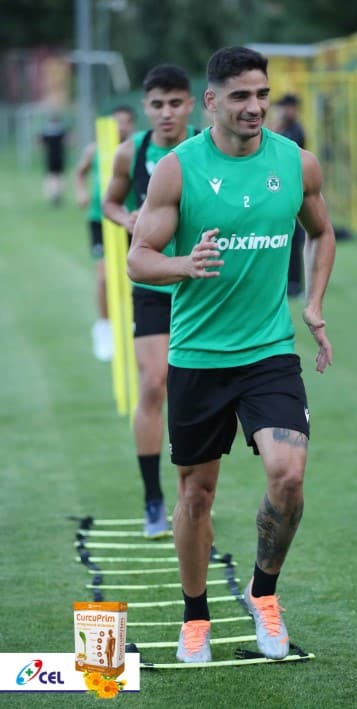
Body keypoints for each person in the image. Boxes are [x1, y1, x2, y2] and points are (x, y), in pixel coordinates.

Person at [127, 46, 336, 663]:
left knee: (288, 475)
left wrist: (314, 303)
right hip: (198, 355)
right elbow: (138, 257)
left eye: (262, 94)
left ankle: (263, 594)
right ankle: (196, 617)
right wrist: (183, 266)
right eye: (241, 95)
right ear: (212, 101)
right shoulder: (177, 169)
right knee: (196, 495)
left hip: (269, 351)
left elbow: (322, 232)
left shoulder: (297, 163)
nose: (255, 106)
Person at [103, 65, 196, 539]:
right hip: (155, 287)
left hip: (201, 288)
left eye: (175, 103)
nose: (166, 113)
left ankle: (191, 497)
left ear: (191, 105)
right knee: (155, 382)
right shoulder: (131, 152)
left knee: (191, 392)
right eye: (157, 104)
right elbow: (110, 202)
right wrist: (128, 220)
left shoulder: (205, 148)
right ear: (145, 107)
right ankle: (153, 497)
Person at [75, 106, 136, 362]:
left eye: (125, 122)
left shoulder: (136, 149)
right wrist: (81, 191)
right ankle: (104, 327)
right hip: (99, 219)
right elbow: (80, 172)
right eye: (116, 122)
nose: (121, 127)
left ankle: (135, 322)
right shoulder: (95, 149)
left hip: (129, 219)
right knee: (103, 277)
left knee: (136, 274)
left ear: (132, 125)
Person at [274, 93, 306, 297]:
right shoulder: (284, 128)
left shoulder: (296, 131)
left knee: (294, 239)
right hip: (282, 191)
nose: (284, 111)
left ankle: (295, 284)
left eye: (287, 107)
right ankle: (287, 282)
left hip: (292, 190)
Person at [39, 113, 69, 206]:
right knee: (59, 176)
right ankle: (58, 193)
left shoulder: (46, 131)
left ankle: (52, 194)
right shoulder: (61, 130)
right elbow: (68, 141)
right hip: (60, 156)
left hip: (50, 157)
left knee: (51, 176)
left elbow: (40, 144)